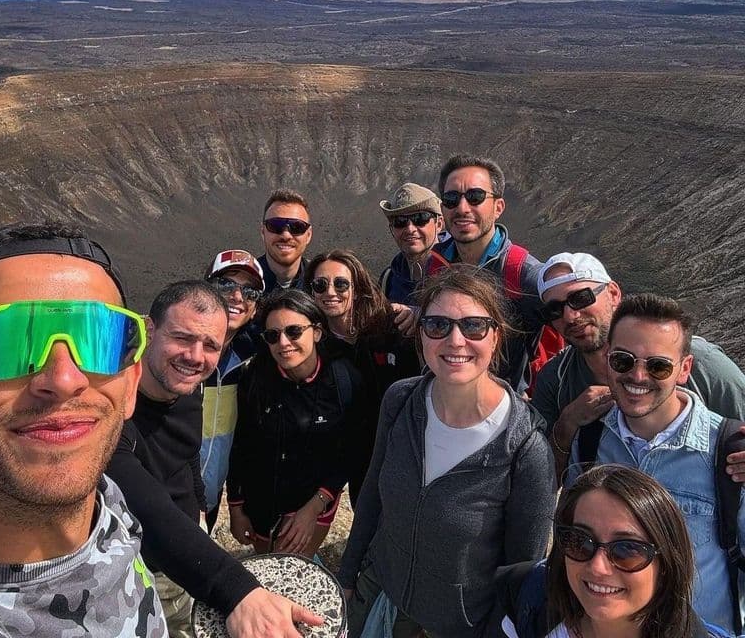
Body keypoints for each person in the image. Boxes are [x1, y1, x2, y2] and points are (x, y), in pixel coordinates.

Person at [0, 223, 166, 636]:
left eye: (99, 339)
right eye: (6, 342)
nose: (65, 379)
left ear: (131, 383)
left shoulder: (108, 506)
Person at [338, 265, 556, 638]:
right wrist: (347, 576)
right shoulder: (401, 401)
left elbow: (521, 573)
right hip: (378, 593)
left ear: (495, 337)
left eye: (473, 326)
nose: (455, 341)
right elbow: (374, 493)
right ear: (421, 335)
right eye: (438, 325)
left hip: (455, 625)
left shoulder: (525, 449)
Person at [564, 293, 745, 634]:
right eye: (623, 361)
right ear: (607, 360)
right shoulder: (589, 440)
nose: (638, 375)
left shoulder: (729, 455)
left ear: (684, 370)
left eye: (658, 365)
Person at [531, 252, 745, 478]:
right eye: (554, 310)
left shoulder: (702, 363)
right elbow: (541, 481)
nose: (571, 316)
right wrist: (567, 424)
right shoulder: (555, 380)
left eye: (581, 298)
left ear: (613, 293)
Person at [105, 280, 232, 637]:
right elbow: (145, 502)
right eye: (182, 338)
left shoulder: (187, 387)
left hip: (186, 551)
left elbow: (187, 453)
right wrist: (237, 590)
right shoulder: (113, 407)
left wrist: (201, 508)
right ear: (149, 329)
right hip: (138, 568)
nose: (195, 356)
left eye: (210, 345)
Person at [497, 464, 729, 638]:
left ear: (667, 565)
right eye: (580, 541)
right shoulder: (523, 601)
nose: (598, 566)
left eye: (627, 550)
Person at [227, 289, 364, 558]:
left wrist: (315, 506)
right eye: (272, 336)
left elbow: (352, 449)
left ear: (317, 332)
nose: (283, 343)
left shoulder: (344, 380)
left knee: (293, 567)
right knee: (267, 564)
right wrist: (235, 505)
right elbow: (242, 443)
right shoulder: (255, 378)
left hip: (315, 499)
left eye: (294, 331)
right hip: (261, 502)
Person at [305, 249, 420, 505]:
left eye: (341, 283)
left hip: (402, 450)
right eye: (320, 285)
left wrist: (417, 313)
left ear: (356, 287)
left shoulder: (390, 328)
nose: (330, 292)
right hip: (357, 458)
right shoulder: (315, 348)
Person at [425, 154, 549, 391]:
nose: (462, 208)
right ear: (442, 209)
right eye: (452, 199)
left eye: (475, 197)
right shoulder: (436, 265)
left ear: (498, 206)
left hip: (502, 411)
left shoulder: (524, 274)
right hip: (446, 401)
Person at [200, 249, 264, 527]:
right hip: (160, 504)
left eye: (250, 292)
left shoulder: (251, 363)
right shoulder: (175, 356)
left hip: (209, 502)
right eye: (226, 285)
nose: (238, 297)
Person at [378, 182, 444, 330]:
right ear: (392, 229)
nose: (410, 229)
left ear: (439, 224)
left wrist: (422, 317)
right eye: (400, 222)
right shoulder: (388, 279)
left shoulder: (459, 271)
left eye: (420, 218)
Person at [258, 189, 313, 293]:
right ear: (263, 232)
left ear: (308, 235)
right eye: (275, 225)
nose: (286, 235)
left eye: (297, 227)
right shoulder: (244, 285)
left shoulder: (321, 286)